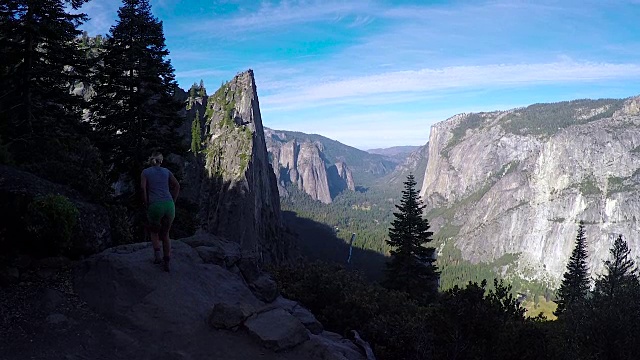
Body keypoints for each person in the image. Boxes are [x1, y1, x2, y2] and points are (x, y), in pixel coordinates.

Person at [140, 152, 180, 272]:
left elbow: (142, 188)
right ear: (161, 161)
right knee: (166, 234)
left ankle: (157, 257)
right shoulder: (167, 171)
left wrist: (146, 202)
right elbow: (177, 186)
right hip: (169, 205)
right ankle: (167, 261)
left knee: (154, 231)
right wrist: (173, 200)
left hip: (155, 205)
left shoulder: (145, 172)